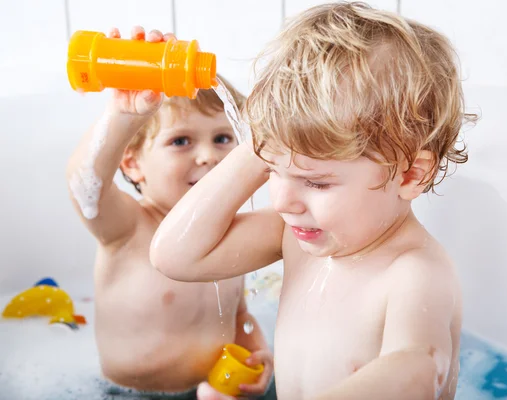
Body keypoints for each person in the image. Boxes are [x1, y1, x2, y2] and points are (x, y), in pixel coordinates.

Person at [152, 3, 470, 399]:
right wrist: (262, 142)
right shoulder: (298, 238)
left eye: (316, 183)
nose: (284, 201)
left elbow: (419, 368)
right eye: (271, 171)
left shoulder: (414, 274)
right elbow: (176, 256)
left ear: (410, 175)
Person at [66, 26, 273, 399]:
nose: (208, 155)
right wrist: (123, 115)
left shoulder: (228, 235)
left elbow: (237, 315)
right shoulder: (128, 227)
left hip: (210, 387)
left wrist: (258, 352)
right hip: (125, 393)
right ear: (132, 164)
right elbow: (85, 189)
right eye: (181, 141)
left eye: (223, 138)